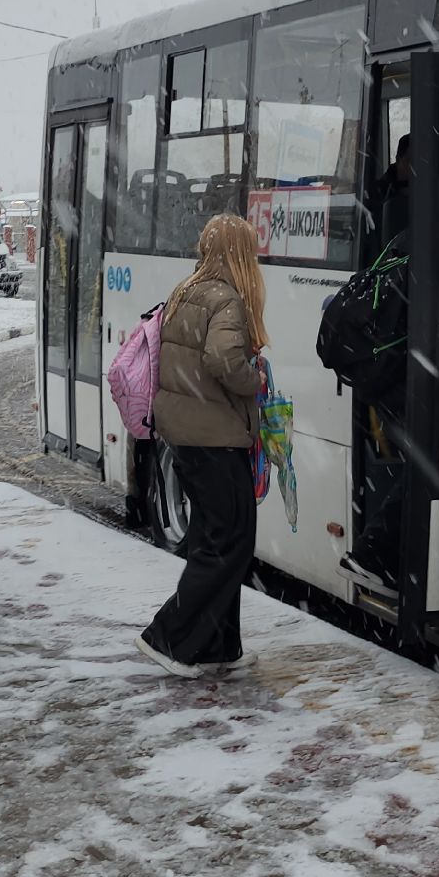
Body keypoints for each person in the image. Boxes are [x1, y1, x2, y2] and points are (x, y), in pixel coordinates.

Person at [135, 213, 266, 679]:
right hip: (214, 437)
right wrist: (255, 380)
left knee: (217, 539)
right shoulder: (227, 298)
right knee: (228, 543)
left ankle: (219, 647)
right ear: (237, 252)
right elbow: (222, 359)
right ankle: (168, 638)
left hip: (186, 435)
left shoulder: (188, 288)